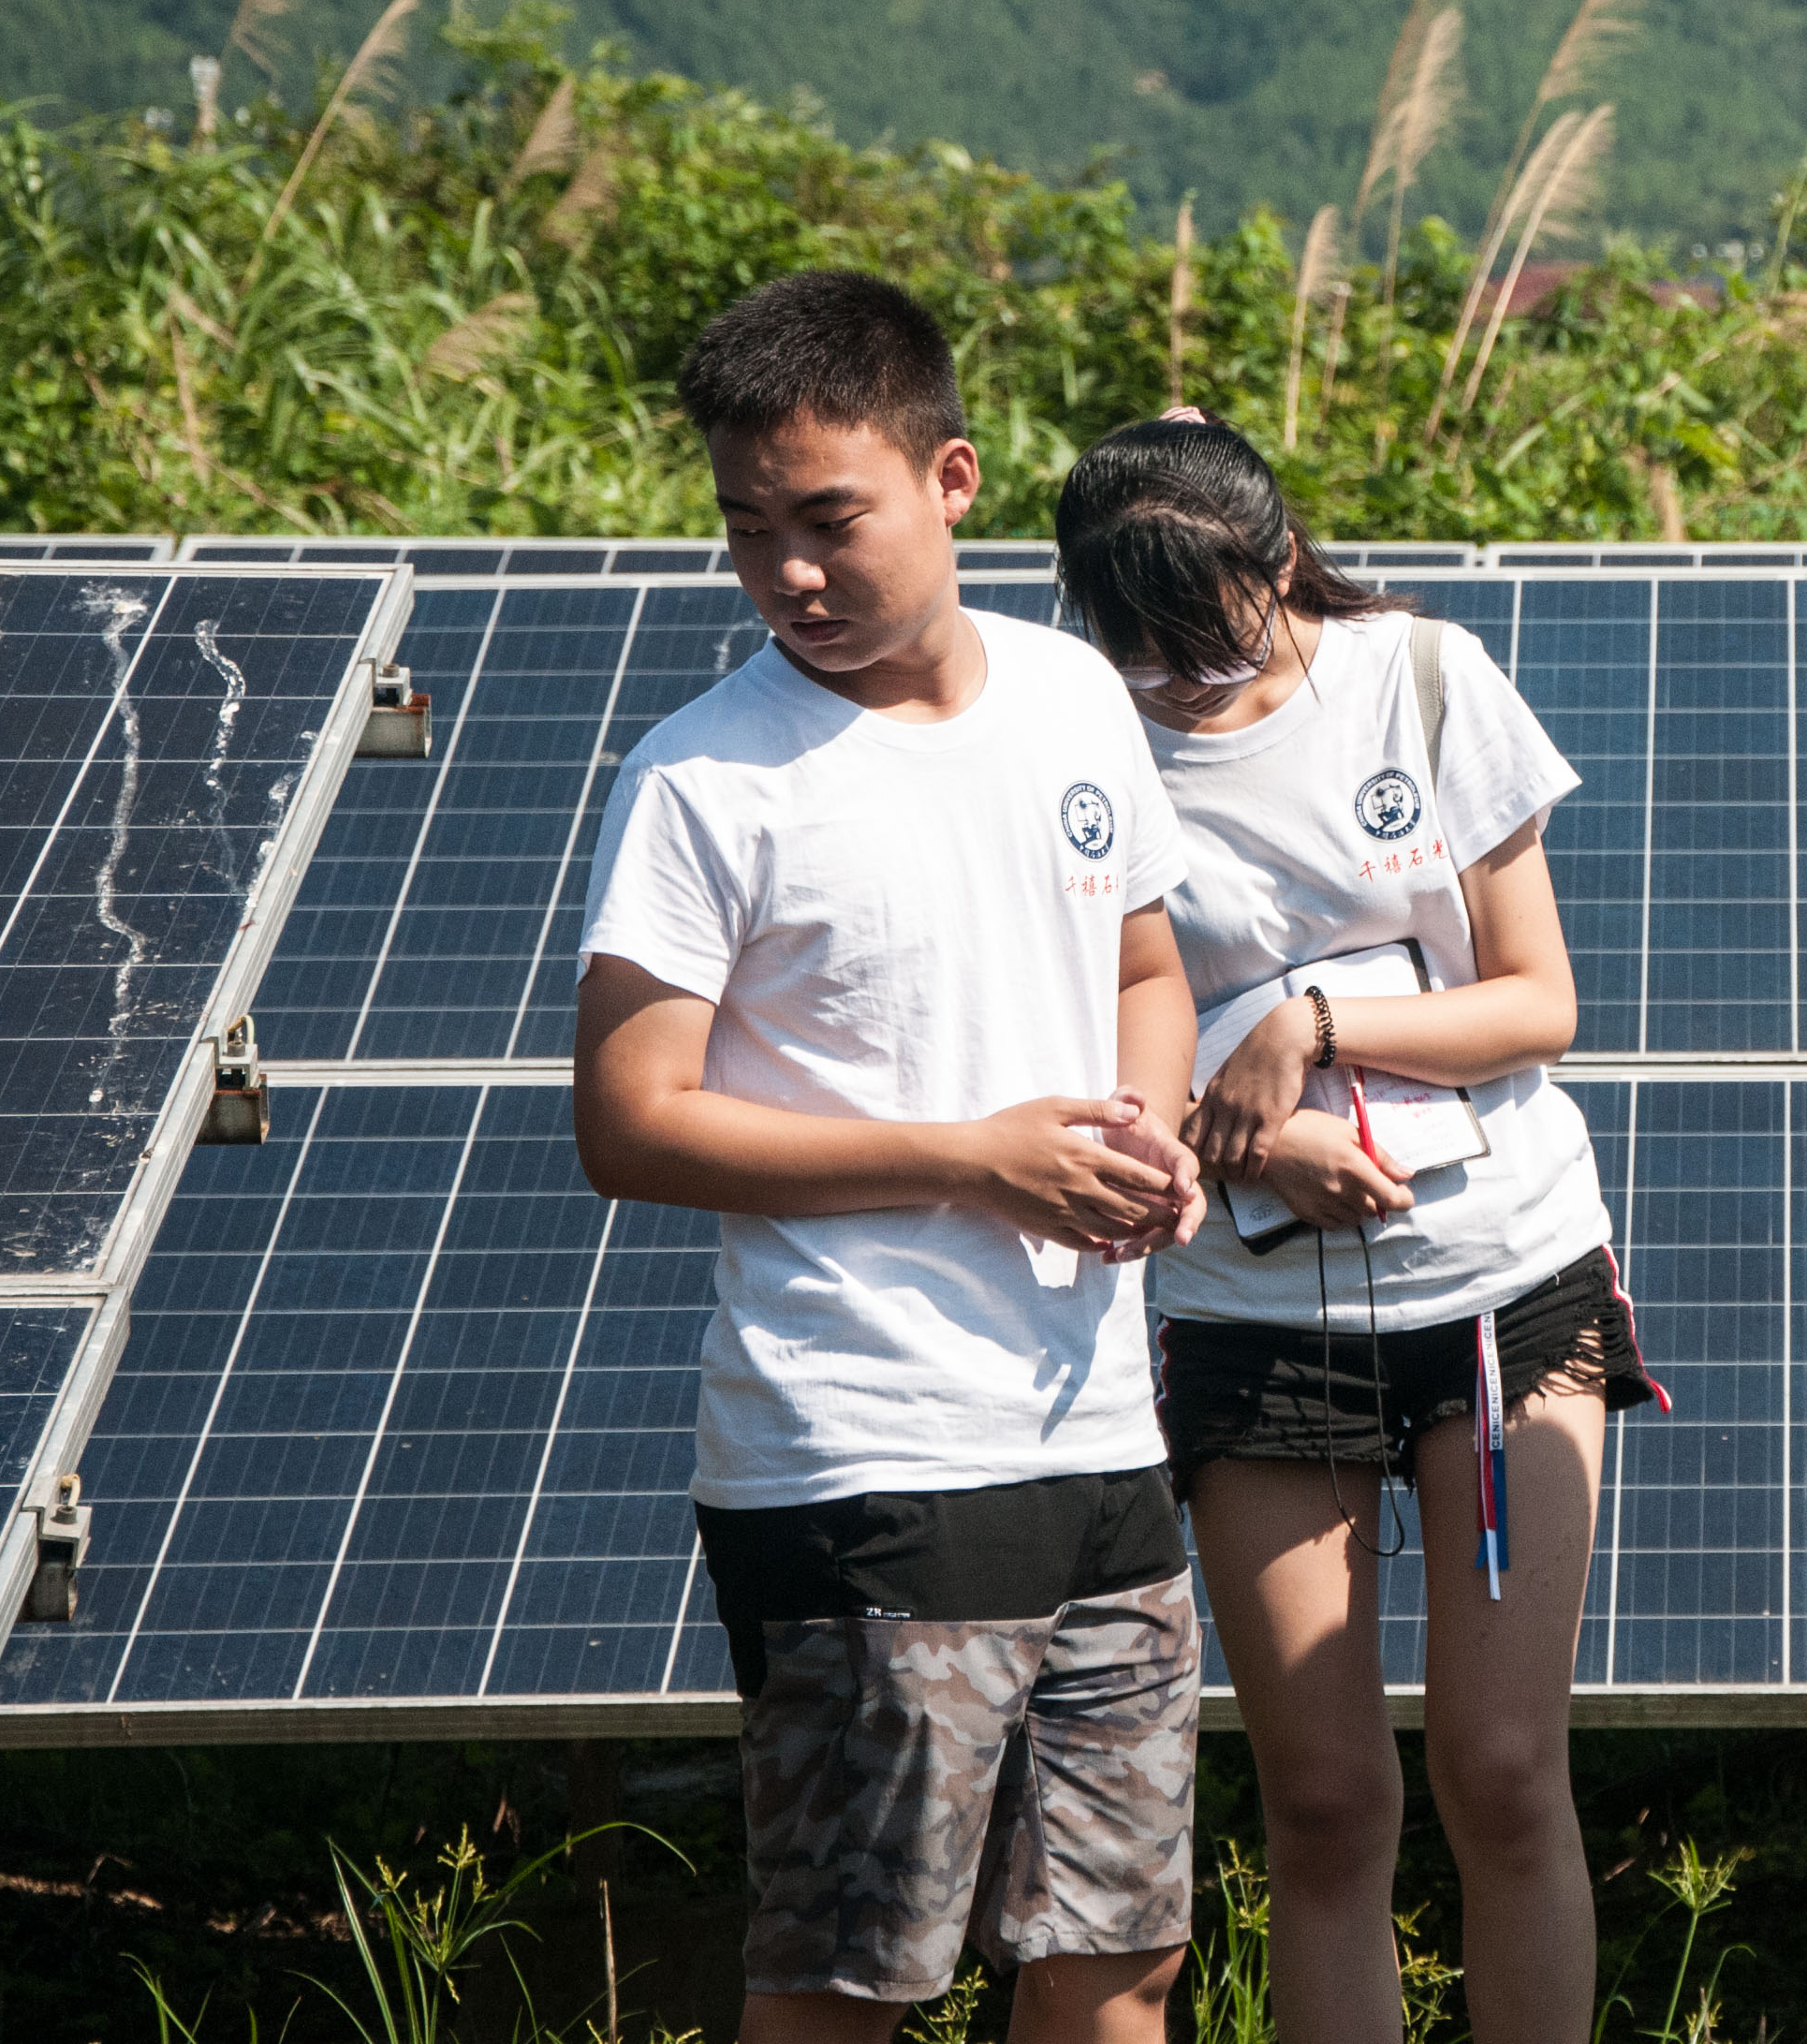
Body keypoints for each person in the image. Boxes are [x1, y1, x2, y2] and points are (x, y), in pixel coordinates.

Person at [569, 272, 1208, 2044]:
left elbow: (1147, 970)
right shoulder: (708, 781)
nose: (788, 569)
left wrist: (1141, 1130)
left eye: (827, 517)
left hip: (1096, 1432)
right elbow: (629, 1121)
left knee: (1119, 1964)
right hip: (858, 1457)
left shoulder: (1078, 699)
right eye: (745, 528)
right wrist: (968, 1162)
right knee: (860, 1980)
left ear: (953, 478)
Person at [1052, 410, 1656, 2044]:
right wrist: (1252, 1147)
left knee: (1509, 1772)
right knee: (1322, 1803)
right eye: (1141, 649)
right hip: (1256, 1326)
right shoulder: (1072, 745)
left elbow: (1537, 1004)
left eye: (1213, 636)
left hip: (1502, 1296)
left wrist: (1311, 1022)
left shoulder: (1423, 678)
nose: (1183, 682)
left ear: (1281, 561)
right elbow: (1075, 1066)